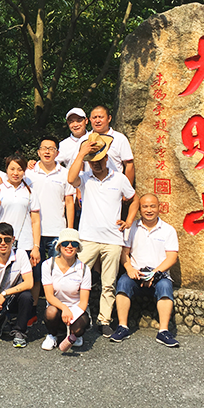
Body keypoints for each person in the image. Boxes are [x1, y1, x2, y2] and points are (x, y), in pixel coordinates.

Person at [67, 133, 138, 337]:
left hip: (113, 239)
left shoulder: (119, 178)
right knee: (76, 278)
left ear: (107, 158)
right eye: (92, 161)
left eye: (99, 160)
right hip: (88, 237)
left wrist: (129, 221)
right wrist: (82, 153)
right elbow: (70, 178)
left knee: (108, 283)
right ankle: (75, 315)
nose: (96, 164)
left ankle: (104, 320)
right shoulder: (85, 178)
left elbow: (134, 199)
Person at [111, 194, 180, 347]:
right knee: (123, 283)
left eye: (152, 206)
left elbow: (172, 257)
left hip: (158, 274)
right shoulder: (131, 228)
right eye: (145, 206)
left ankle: (163, 331)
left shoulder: (168, 230)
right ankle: (122, 327)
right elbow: (124, 252)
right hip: (135, 272)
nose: (149, 210)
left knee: (165, 286)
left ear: (159, 207)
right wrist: (129, 268)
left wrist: (154, 274)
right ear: (139, 209)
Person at [25, 136, 75, 305]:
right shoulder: (29, 173)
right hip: (34, 232)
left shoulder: (65, 173)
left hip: (57, 230)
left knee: (57, 273)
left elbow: (69, 202)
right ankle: (33, 309)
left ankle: (55, 308)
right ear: (38, 152)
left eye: (51, 149)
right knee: (35, 273)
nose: (47, 152)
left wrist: (69, 230)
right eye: (44, 148)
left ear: (57, 153)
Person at [0, 154, 41, 280]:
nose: (15, 173)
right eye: (12, 169)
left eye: (20, 169)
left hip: (25, 243)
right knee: (1, 279)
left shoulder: (30, 192)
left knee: (25, 280)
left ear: (24, 171)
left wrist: (36, 246)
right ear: (6, 170)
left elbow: (35, 221)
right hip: (3, 243)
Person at [40, 228, 92, 351]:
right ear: (59, 246)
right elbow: (49, 296)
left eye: (73, 243)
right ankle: (52, 335)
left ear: (78, 248)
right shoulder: (48, 265)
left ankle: (75, 334)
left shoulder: (84, 269)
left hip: (77, 309)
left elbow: (84, 302)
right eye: (65, 243)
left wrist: (72, 313)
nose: (69, 246)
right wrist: (64, 308)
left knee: (78, 329)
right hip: (57, 307)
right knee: (50, 312)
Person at [87, 105, 135, 185]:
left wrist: (126, 188)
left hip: (114, 185)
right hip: (90, 186)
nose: (97, 120)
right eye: (94, 117)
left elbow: (129, 165)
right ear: (90, 119)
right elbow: (80, 166)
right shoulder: (84, 139)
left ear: (109, 118)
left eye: (101, 117)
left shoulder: (119, 138)